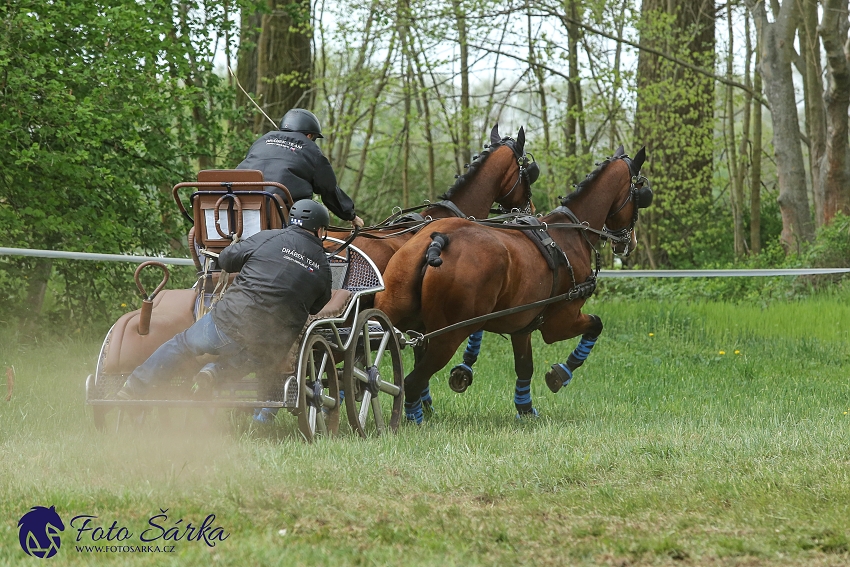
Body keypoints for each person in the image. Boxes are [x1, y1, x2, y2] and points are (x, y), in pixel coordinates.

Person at [116, 199, 333, 402]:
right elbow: (317, 305)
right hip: (269, 341)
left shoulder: (269, 237)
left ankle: (133, 388)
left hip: (228, 321)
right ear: (320, 230)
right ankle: (212, 374)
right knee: (251, 360)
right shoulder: (323, 266)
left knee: (182, 345)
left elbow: (226, 260)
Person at [237, 108, 365, 230]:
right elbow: (328, 189)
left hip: (236, 212)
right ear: (309, 136)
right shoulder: (311, 150)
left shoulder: (261, 141)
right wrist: (350, 215)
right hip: (277, 220)